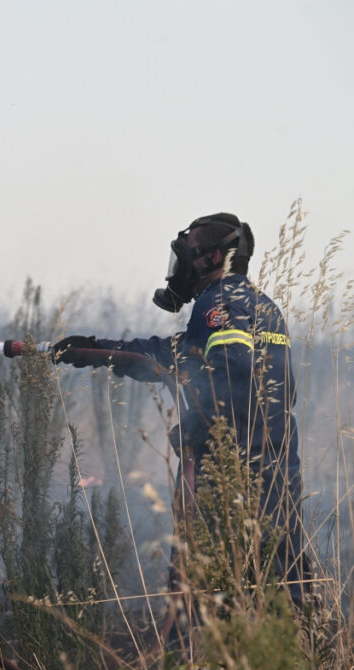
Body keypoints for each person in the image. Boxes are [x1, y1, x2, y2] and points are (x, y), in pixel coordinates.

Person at [52, 212, 307, 606]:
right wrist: (91, 349)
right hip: (277, 477)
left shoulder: (217, 302)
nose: (181, 267)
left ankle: (199, 666)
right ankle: (301, 662)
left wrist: (199, 429)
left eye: (189, 254)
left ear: (213, 257)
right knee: (284, 594)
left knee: (199, 599)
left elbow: (233, 372)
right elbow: (171, 355)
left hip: (228, 479)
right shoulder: (260, 305)